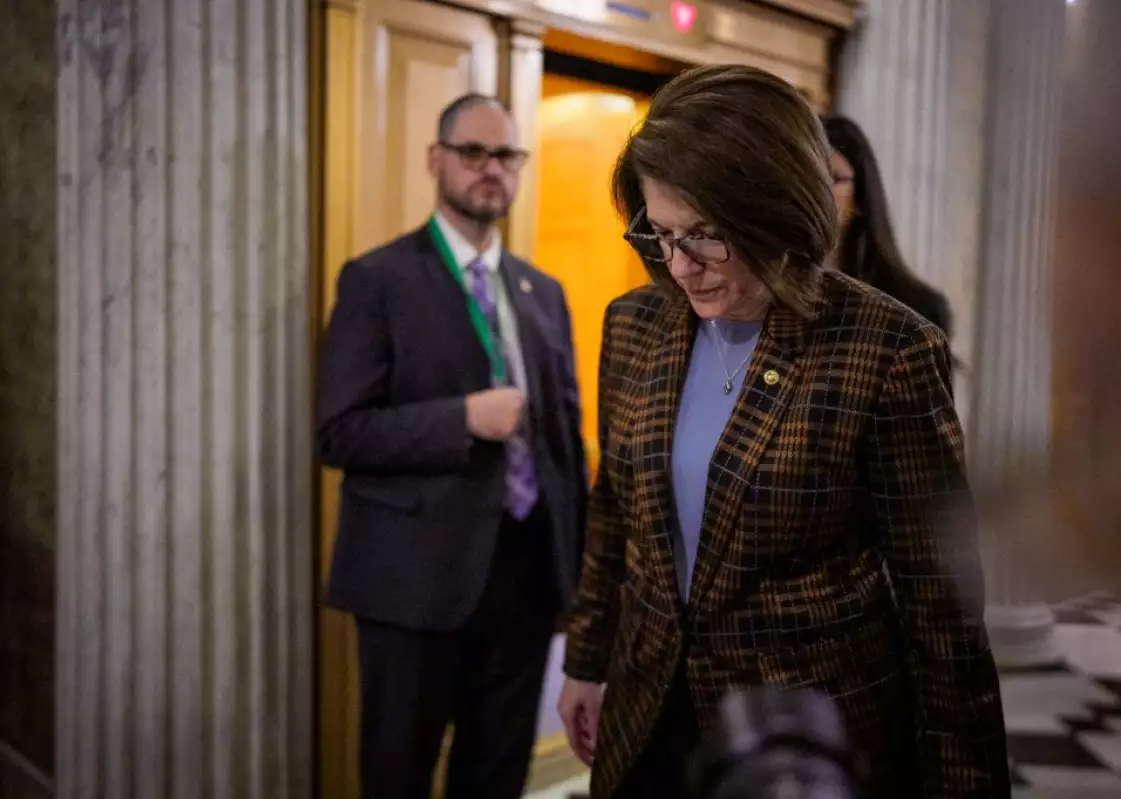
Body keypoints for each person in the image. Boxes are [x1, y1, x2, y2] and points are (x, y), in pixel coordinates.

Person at [557, 65, 1010, 799]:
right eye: (661, 233)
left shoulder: (886, 347)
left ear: (778, 213)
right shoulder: (635, 323)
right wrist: (586, 658)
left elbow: (941, 602)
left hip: (806, 731)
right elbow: (615, 507)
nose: (680, 266)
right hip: (651, 716)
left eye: (706, 236)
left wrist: (964, 779)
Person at [317, 94, 588, 799]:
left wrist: (578, 577)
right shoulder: (377, 280)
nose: (490, 169)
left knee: (496, 776)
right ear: (436, 159)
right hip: (413, 585)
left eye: (506, 155)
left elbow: (563, 443)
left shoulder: (542, 291)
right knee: (397, 775)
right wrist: (461, 417)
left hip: (526, 583)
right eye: (473, 152)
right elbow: (339, 430)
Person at [824, 115, 953, 334]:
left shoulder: (915, 311)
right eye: (810, 179)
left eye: (833, 178)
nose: (818, 191)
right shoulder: (766, 295)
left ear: (862, 191)